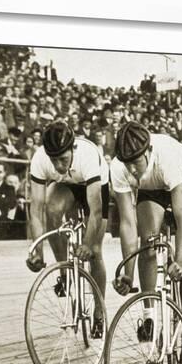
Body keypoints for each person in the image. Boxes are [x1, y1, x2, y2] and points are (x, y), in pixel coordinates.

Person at [110, 121, 182, 363]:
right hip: (151, 188)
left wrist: (179, 261)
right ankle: (149, 316)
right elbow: (128, 224)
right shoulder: (119, 167)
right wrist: (128, 274)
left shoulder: (167, 158)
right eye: (126, 164)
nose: (132, 170)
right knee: (147, 242)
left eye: (135, 163)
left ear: (148, 151)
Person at [26, 121, 110, 337]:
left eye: (62, 159)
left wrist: (88, 244)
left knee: (95, 252)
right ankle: (65, 272)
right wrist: (37, 251)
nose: (58, 165)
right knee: (51, 209)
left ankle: (99, 313)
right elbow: (35, 210)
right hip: (68, 184)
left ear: (72, 149)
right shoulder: (39, 159)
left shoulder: (88, 156)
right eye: (53, 160)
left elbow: (96, 211)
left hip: (94, 186)